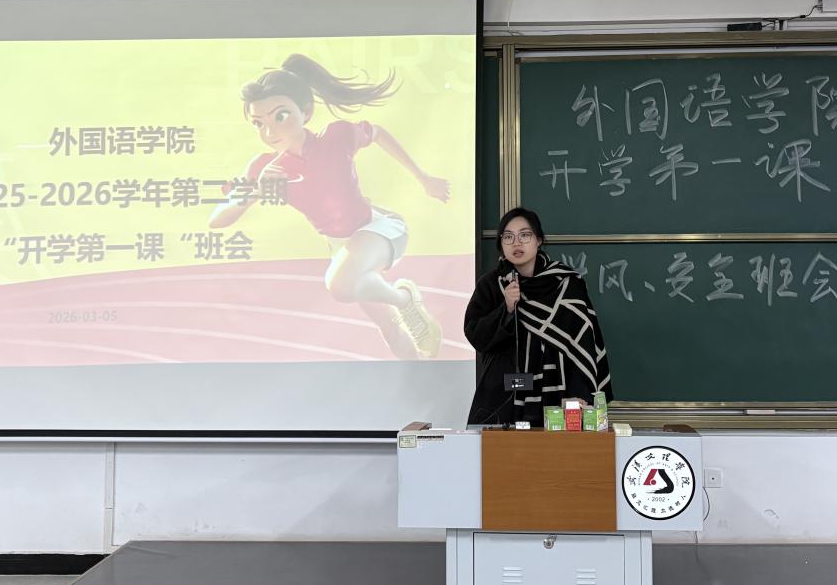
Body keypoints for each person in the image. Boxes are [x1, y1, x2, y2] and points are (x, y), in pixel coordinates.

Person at [210, 53, 450, 358]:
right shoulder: (263, 168)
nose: (269, 132)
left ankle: (404, 299)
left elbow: (378, 134)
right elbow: (217, 219)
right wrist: (256, 191)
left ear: (306, 112)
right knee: (387, 325)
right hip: (343, 248)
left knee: (339, 286)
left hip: (378, 229)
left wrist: (423, 178)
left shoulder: (336, 137)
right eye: (259, 123)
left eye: (280, 116)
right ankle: (419, 370)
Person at [464, 207, 612, 426]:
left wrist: (579, 393)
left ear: (539, 240)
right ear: (501, 244)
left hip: (559, 397)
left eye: (525, 235)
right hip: (504, 399)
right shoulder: (492, 285)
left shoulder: (566, 284)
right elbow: (476, 335)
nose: (516, 243)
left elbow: (583, 344)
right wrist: (506, 309)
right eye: (508, 237)